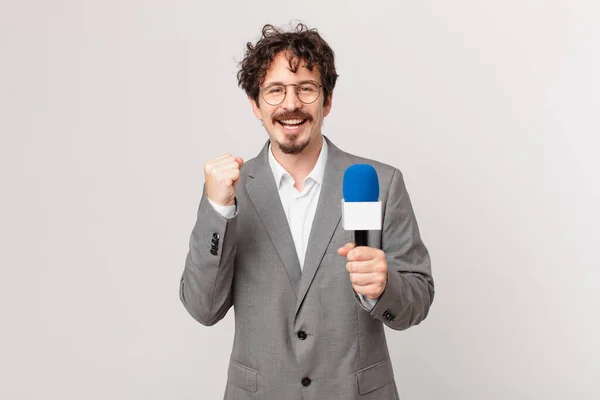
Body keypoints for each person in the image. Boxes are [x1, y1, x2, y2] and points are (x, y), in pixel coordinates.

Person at [179, 23, 434, 399]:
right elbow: (204, 308)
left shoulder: (381, 182)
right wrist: (218, 207)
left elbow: (418, 298)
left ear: (327, 100)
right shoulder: (229, 192)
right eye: (275, 90)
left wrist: (385, 286)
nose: (291, 104)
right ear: (256, 104)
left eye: (306, 89)